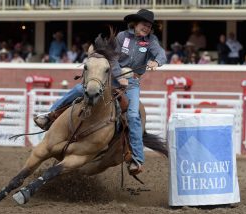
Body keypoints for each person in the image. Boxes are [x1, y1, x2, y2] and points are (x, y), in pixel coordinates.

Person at [34, 9, 167, 174]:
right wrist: (119, 75)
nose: (146, 28)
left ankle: (136, 159)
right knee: (77, 90)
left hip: (132, 82)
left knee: (133, 115)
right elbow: (113, 59)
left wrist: (156, 61)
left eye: (149, 26)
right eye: (143, 24)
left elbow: (161, 54)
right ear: (135, 24)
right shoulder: (122, 37)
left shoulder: (151, 41)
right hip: (111, 77)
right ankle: (49, 115)